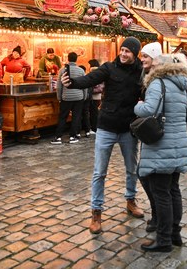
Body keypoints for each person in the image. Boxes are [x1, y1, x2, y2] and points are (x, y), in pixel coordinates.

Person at [61, 37, 145, 234]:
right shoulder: (109, 67)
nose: (123, 54)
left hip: (128, 128)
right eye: (122, 50)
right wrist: (72, 83)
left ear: (135, 54)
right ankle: (96, 213)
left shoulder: (141, 70)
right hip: (106, 127)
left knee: (132, 169)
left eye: (128, 51)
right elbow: (90, 79)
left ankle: (131, 201)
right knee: (100, 172)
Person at [134, 53, 187, 253]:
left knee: (161, 194)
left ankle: (164, 239)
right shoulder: (181, 84)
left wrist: (138, 105)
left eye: (155, 64)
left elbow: (150, 110)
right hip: (179, 142)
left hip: (161, 145)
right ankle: (175, 234)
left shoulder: (158, 83)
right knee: (173, 189)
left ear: (162, 67)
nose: (151, 67)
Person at [137, 42, 163, 235]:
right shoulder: (146, 75)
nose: (142, 59)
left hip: (157, 133)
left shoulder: (157, 79)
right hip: (151, 132)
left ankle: (160, 220)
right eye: (142, 56)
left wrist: (138, 106)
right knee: (147, 176)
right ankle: (161, 220)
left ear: (154, 58)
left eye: (146, 56)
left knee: (149, 177)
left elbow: (150, 108)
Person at [52, 52, 86, 144]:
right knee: (76, 117)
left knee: (63, 117)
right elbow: (84, 84)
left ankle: (58, 137)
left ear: (68, 59)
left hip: (66, 98)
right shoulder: (81, 71)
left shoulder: (63, 70)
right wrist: (85, 96)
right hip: (79, 97)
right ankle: (73, 137)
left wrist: (59, 97)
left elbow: (59, 85)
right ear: (76, 59)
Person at [86, 59, 102, 136]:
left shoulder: (93, 72)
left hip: (93, 96)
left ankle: (94, 128)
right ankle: (96, 127)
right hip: (98, 96)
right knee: (95, 112)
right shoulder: (100, 72)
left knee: (93, 113)